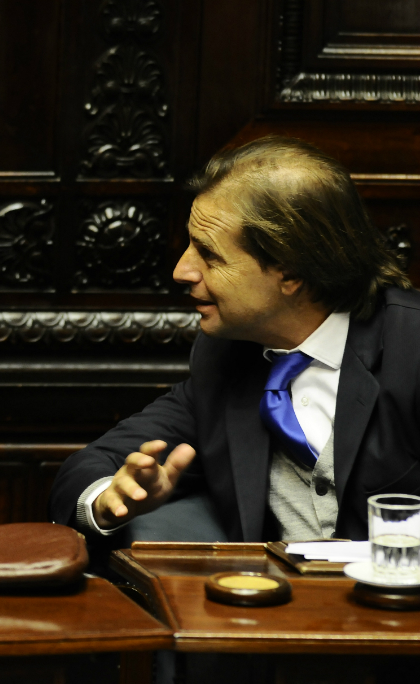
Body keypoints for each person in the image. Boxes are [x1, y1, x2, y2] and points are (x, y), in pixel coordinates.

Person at [50, 135, 418, 544]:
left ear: (291, 272)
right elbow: (95, 464)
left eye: (208, 255)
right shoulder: (224, 355)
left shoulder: (411, 347)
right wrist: (112, 499)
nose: (182, 271)